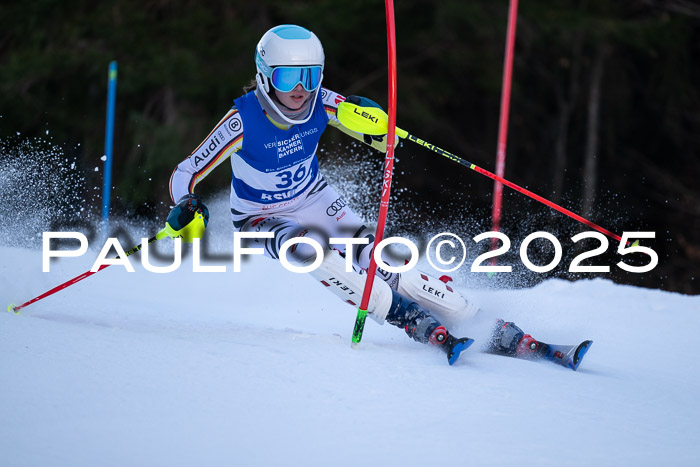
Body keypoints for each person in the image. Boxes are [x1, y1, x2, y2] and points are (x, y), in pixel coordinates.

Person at [166, 24, 586, 367]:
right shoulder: (242, 119)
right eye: (288, 77)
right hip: (260, 216)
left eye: (310, 76)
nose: (300, 89)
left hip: (313, 196)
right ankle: (407, 318)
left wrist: (381, 130)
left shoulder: (320, 103)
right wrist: (185, 202)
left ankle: (482, 323)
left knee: (383, 259)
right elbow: (186, 171)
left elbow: (371, 131)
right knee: (308, 250)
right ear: (264, 75)